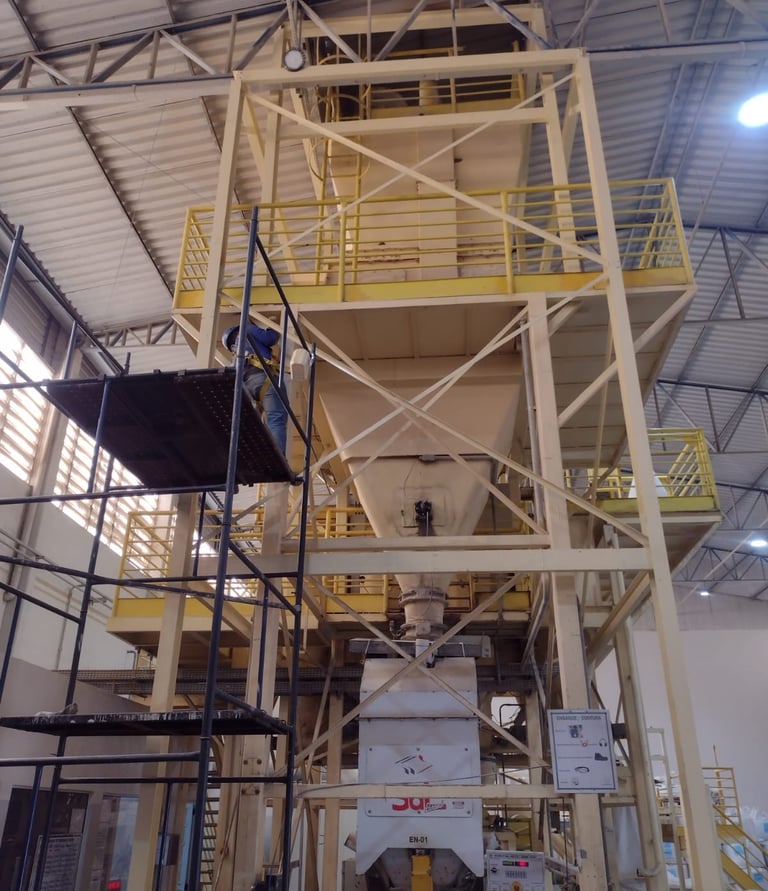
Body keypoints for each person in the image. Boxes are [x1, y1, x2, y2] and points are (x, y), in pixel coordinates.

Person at [222, 322, 288, 454]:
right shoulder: (246, 328)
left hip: (248, 386)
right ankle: (276, 455)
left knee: (255, 425)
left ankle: (259, 455)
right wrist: (273, 328)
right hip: (264, 379)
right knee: (276, 418)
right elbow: (269, 338)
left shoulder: (236, 355)